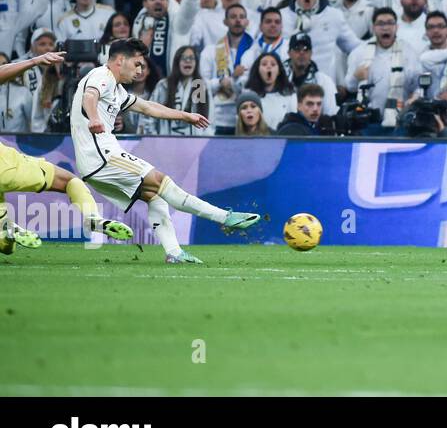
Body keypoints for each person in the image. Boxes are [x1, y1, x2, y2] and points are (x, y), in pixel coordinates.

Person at [70, 37, 260, 264]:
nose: (140, 70)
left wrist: (186, 115)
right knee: (161, 182)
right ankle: (224, 217)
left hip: (95, 162)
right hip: (103, 156)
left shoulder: (117, 90)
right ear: (120, 60)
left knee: (155, 197)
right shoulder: (102, 76)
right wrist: (93, 118)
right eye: (137, 64)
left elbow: (148, 107)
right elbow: (90, 96)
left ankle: (174, 253)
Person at [0, 48, 135, 253]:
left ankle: (8, 230)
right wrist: (35, 61)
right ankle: (92, 218)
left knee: (5, 246)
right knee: (70, 181)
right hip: (4, 163)